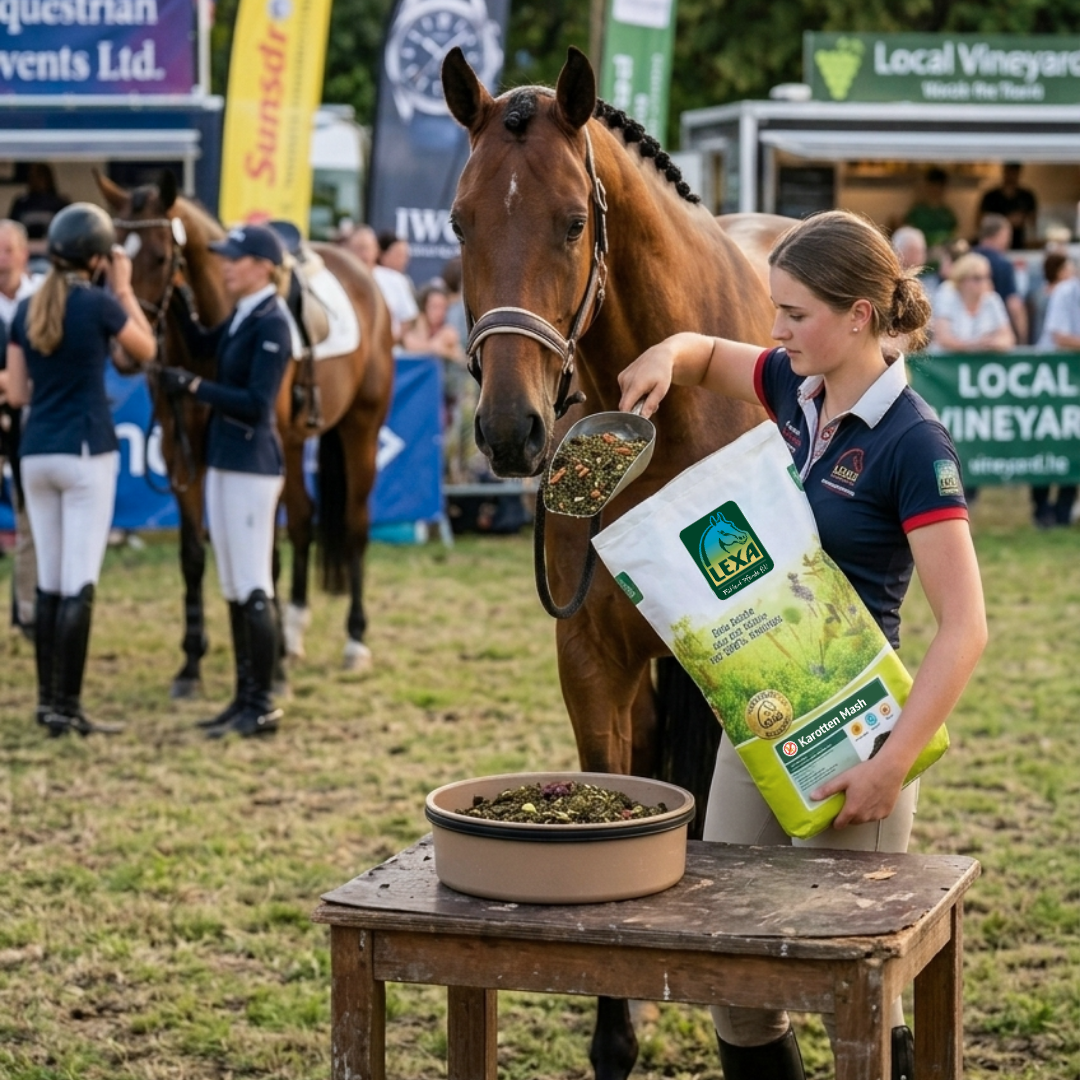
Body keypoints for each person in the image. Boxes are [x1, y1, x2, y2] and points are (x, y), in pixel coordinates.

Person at [617, 210, 987, 1080]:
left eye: (794, 313)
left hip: (860, 741)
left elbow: (966, 629)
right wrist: (665, 354)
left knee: (853, 982)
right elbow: (710, 353)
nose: (775, 332)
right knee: (737, 984)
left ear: (860, 314)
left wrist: (890, 768)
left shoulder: (914, 444)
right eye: (773, 311)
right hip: (761, 720)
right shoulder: (794, 383)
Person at [1, 203, 156, 736]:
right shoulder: (97, 304)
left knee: (48, 582)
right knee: (78, 582)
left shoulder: (26, 310)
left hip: (37, 452)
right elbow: (147, 348)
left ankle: (47, 705)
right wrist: (125, 288)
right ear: (96, 258)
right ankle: (68, 706)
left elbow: (18, 392)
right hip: (86, 450)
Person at [158, 224, 292, 738]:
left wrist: (193, 386)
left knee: (253, 582)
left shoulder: (273, 323)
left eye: (235, 260)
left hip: (252, 464)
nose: (227, 266)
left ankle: (260, 703)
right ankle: (242, 697)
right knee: (234, 584)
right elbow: (196, 340)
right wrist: (174, 294)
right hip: (225, 460)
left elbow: (259, 406)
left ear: (263, 266)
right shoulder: (242, 314)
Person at [0, 219, 41, 637]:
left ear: (24, 253)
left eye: (7, 249)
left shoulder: (43, 297)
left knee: (31, 520)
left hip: (33, 424)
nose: (1, 259)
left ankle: (25, 609)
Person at [1032, 253, 1080, 527]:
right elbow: (1059, 336)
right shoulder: (1064, 292)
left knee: (1073, 444)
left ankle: (1063, 510)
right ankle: (1041, 509)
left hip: (1072, 381)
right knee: (1044, 441)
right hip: (1048, 379)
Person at [931, 252, 1016, 353]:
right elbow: (943, 338)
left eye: (987, 277)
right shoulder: (946, 293)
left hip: (980, 365)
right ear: (962, 279)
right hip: (947, 364)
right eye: (977, 278)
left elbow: (1009, 338)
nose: (984, 282)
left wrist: (993, 343)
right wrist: (976, 345)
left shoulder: (992, 299)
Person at [347, 225, 418, 346]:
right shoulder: (340, 281)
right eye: (358, 249)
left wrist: (389, 342)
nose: (363, 255)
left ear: (376, 251)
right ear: (348, 251)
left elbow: (407, 319)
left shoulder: (395, 280)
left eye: (367, 249)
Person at [973, 213, 1028, 345]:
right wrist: (1023, 340)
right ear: (1001, 235)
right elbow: (1014, 304)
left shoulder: (966, 258)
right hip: (995, 331)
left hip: (963, 333)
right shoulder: (1003, 265)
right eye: (1008, 236)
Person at [7, 164, 70, 254]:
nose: (37, 181)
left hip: (53, 252)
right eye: (33, 177)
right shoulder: (21, 203)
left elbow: (67, 232)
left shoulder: (60, 203)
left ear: (48, 178)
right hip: (24, 252)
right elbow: (11, 229)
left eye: (41, 176)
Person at [979, 163, 1038, 251]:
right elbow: (980, 222)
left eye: (1014, 172)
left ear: (1019, 173)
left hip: (1019, 244)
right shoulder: (991, 196)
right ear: (1004, 171)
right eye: (1009, 171)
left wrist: (1022, 220)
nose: (1011, 175)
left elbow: (1033, 222)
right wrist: (1006, 220)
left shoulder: (1027, 196)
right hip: (995, 246)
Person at [903, 167, 957, 249]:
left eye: (939, 187)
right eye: (933, 186)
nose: (935, 190)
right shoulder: (917, 212)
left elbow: (953, 236)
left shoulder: (947, 214)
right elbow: (909, 236)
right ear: (927, 186)